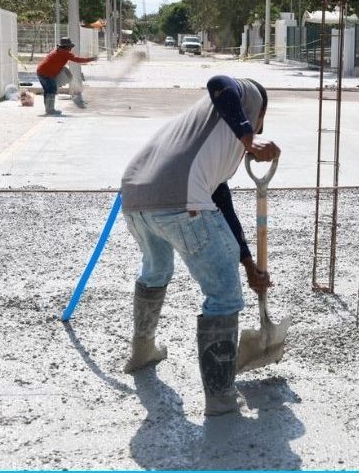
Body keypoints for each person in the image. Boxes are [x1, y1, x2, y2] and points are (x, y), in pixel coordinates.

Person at [119, 75, 281, 417]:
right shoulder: (244, 100)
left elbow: (221, 202)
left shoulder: (203, 135)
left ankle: (142, 351)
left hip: (136, 199)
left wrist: (248, 261)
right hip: (180, 201)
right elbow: (220, 81)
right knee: (223, 294)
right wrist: (249, 137)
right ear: (259, 111)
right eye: (262, 119)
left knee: (155, 270)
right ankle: (220, 398)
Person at [35, 37, 97, 115]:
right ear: (66, 46)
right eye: (70, 46)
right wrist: (91, 59)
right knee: (51, 91)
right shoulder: (65, 53)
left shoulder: (58, 51)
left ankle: (49, 109)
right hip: (46, 73)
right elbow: (77, 59)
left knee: (48, 91)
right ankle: (50, 110)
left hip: (41, 71)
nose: (71, 48)